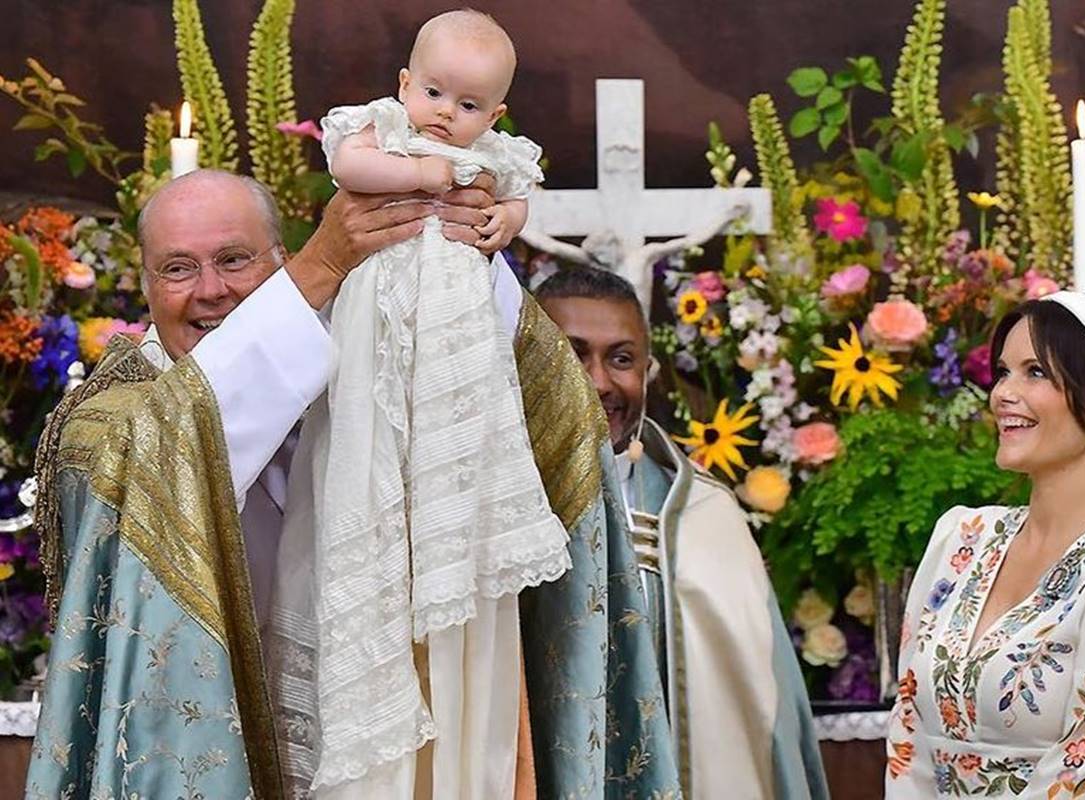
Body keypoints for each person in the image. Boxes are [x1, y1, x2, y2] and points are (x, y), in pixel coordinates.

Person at [22, 168, 536, 799]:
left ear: (279, 258)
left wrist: (462, 249)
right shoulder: (108, 420)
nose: (211, 291)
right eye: (178, 269)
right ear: (146, 286)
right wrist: (324, 264)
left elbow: (509, 401)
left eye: (234, 259)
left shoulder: (361, 374)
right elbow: (172, 434)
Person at [280, 10, 567, 797]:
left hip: (456, 354)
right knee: (369, 457)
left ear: (495, 117)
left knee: (455, 450)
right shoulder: (384, 131)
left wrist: (504, 218)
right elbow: (351, 168)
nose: (446, 113)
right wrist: (430, 175)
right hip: (378, 338)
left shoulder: (493, 157)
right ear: (405, 85)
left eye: (469, 106)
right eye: (434, 91)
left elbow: (517, 204)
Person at [536, 265, 831, 800]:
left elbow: (768, 715)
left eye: (620, 359)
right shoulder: (481, 506)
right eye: (572, 354)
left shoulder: (705, 514)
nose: (599, 381)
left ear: (648, 371)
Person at [885, 292, 1085, 798]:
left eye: (1035, 372)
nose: (1003, 393)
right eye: (1003, 372)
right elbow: (908, 728)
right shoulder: (961, 537)